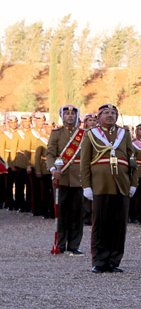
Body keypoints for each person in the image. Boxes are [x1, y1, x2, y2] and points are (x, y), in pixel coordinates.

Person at [80, 104, 136, 273]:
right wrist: (87, 186)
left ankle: (114, 260)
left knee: (118, 226)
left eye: (113, 113)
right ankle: (99, 260)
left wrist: (133, 183)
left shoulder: (124, 134)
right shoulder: (91, 134)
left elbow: (132, 160)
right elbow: (85, 162)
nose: (110, 115)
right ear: (99, 116)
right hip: (100, 184)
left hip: (121, 184)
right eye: (106, 113)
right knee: (100, 224)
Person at [46, 105, 87, 256]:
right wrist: (52, 169)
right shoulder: (56, 133)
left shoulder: (84, 134)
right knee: (62, 212)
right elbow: (50, 154)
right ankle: (61, 243)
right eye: (67, 114)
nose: (70, 116)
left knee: (77, 212)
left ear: (77, 116)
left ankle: (74, 244)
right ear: (62, 116)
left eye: (73, 114)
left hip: (79, 178)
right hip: (61, 177)